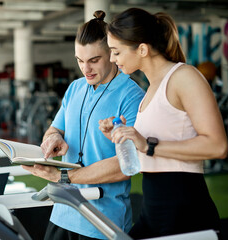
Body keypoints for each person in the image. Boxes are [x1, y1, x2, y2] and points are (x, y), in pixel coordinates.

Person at [99, 7, 228, 239]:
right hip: (153, 210)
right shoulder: (151, 90)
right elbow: (150, 151)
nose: (111, 59)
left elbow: (217, 146)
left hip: (184, 210)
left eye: (116, 52)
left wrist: (148, 144)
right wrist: (123, 138)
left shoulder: (184, 77)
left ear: (142, 49)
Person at [22, 10, 145, 240]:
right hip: (62, 212)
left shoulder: (132, 96)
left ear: (112, 53)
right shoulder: (75, 88)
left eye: (93, 60)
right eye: (80, 61)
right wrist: (54, 137)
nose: (85, 69)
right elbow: (55, 128)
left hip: (104, 221)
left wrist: (64, 177)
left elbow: (124, 167)